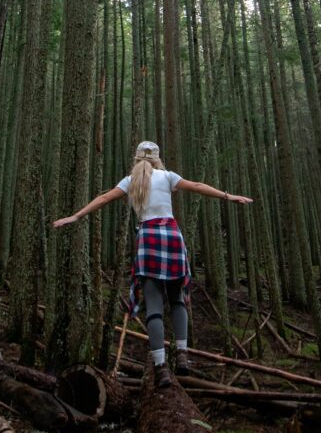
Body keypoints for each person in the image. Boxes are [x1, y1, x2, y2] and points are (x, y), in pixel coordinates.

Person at [52, 140, 253, 389]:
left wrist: (76, 216)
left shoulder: (130, 181)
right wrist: (228, 196)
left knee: (155, 306)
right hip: (171, 235)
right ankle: (182, 355)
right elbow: (197, 186)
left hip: (147, 238)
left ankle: (160, 368)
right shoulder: (168, 176)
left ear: (136, 159)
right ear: (157, 158)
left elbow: (104, 198)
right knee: (178, 299)